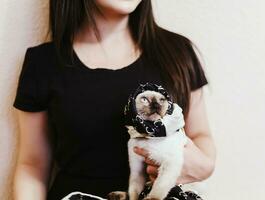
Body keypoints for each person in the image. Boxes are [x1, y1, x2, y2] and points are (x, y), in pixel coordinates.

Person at [12, 0, 216, 199]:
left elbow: (200, 134)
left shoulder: (178, 53)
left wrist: (204, 167)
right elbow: (32, 166)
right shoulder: (43, 64)